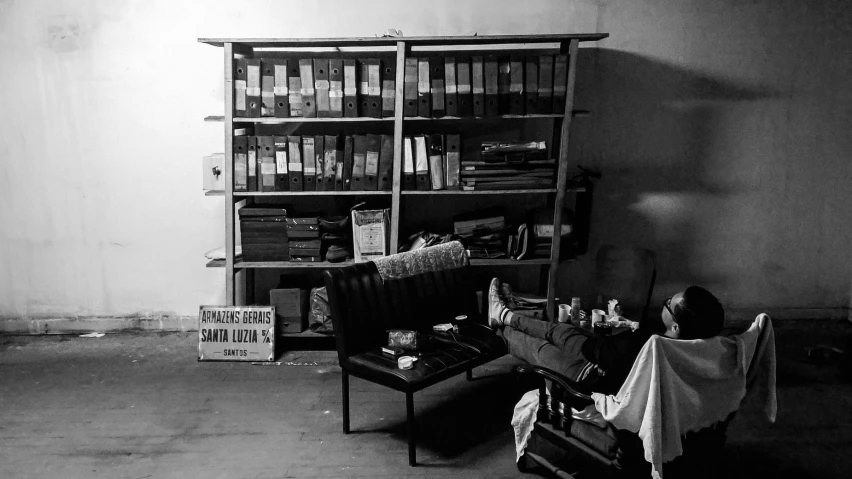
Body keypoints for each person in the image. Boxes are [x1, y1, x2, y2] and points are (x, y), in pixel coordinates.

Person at [489, 278, 725, 395]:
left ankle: (502, 323)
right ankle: (505, 314)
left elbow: (597, 351)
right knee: (561, 331)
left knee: (539, 346)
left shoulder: (651, 347)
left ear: (675, 327)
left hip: (590, 379)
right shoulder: (698, 352)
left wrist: (598, 338)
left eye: (668, 304)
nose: (664, 303)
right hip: (604, 360)